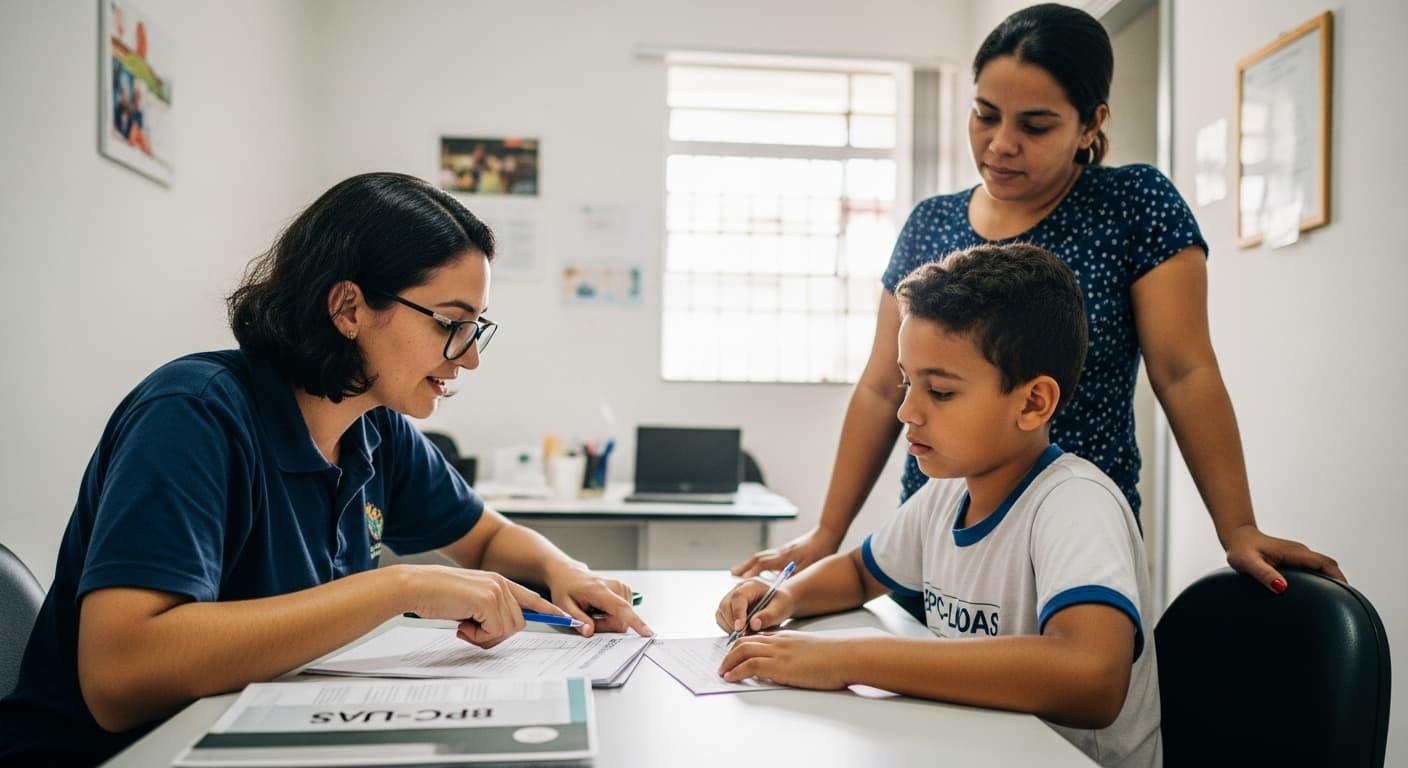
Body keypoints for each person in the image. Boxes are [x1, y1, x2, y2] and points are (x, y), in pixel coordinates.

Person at [0, 172, 651, 766]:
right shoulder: (194, 415)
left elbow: (485, 538)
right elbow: (120, 676)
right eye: (451, 323)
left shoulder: (374, 424)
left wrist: (565, 571)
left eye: (478, 326)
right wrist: (399, 589)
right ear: (348, 309)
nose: (470, 357)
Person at [734, 2, 1341, 593]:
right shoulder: (930, 223)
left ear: (1091, 123)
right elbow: (879, 387)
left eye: (1035, 125)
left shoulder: (1133, 204)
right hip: (939, 530)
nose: (1000, 144)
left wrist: (1236, 526)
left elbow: (1184, 371)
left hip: (1069, 536)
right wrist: (827, 532)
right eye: (984, 114)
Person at [718, 244, 1159, 768]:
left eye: (941, 392)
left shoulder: (1074, 505)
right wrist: (784, 597)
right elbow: (861, 572)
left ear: (1033, 402)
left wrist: (852, 657)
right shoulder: (949, 492)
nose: (906, 410)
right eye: (906, 381)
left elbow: (1092, 678)